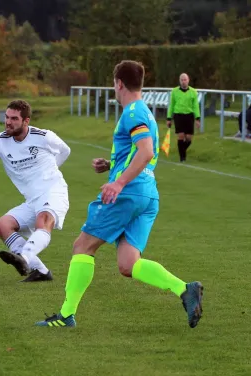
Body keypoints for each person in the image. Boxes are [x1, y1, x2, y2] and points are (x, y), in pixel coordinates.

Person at [34, 60, 203, 329]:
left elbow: (146, 151)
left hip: (128, 194)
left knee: (82, 247)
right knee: (128, 264)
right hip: (148, 195)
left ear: (119, 84)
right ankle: (184, 289)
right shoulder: (144, 112)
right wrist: (112, 167)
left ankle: (66, 315)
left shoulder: (133, 112)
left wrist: (119, 182)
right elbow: (140, 153)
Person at [0, 100, 71, 282]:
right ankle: (40, 271)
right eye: (7, 117)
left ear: (26, 121)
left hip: (54, 191)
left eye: (14, 119)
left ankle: (24, 258)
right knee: (3, 225)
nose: (8, 122)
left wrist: (52, 171)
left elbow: (65, 150)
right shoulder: (1, 140)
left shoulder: (43, 136)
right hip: (32, 199)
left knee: (44, 220)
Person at [166, 73, 200, 162]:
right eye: (182, 80)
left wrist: (197, 118)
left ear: (188, 80)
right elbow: (171, 105)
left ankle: (182, 150)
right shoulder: (175, 91)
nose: (183, 82)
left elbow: (195, 106)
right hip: (178, 115)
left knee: (188, 138)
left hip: (189, 115)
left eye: (185, 80)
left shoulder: (193, 92)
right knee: (181, 136)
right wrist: (169, 118)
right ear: (179, 81)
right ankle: (182, 157)